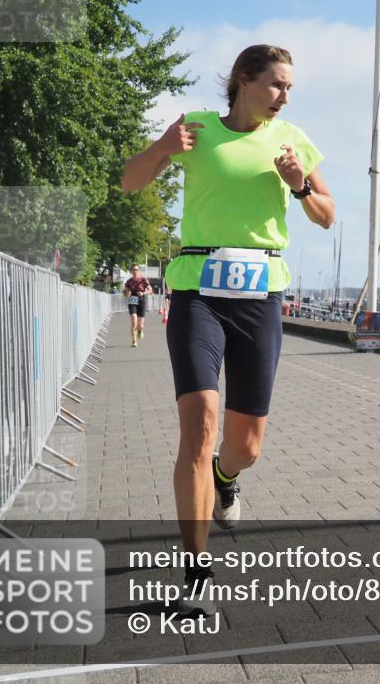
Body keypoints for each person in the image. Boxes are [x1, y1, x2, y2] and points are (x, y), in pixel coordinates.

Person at [120, 44, 335, 614]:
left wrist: (300, 186)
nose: (285, 96)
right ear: (244, 79)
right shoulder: (196, 128)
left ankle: (225, 476)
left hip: (260, 298)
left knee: (246, 446)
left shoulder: (291, 139)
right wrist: (162, 149)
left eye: (290, 88)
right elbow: (130, 182)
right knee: (199, 425)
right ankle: (196, 572)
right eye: (277, 84)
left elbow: (326, 215)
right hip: (197, 293)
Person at [122, 265, 153, 347]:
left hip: (141, 301)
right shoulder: (129, 281)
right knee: (134, 321)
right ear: (131, 271)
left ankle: (140, 330)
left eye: (136, 269)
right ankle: (134, 341)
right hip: (132, 301)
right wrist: (126, 293)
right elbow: (125, 292)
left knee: (140, 325)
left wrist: (143, 293)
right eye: (133, 270)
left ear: (139, 270)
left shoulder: (143, 280)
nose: (135, 271)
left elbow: (150, 290)